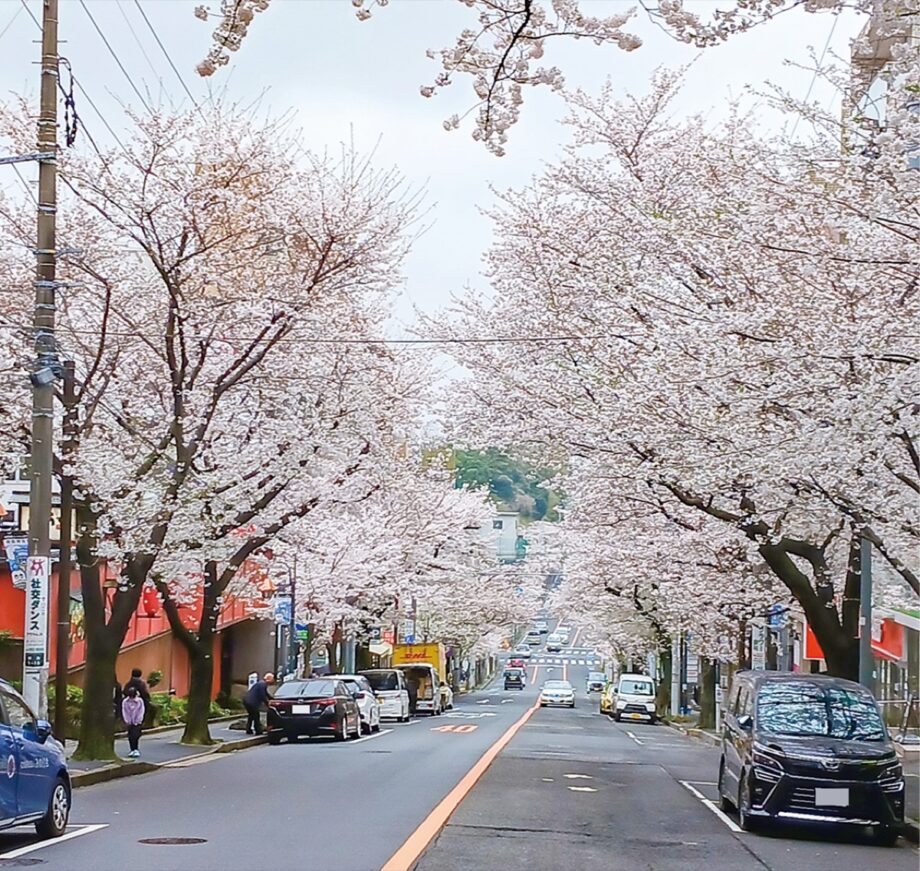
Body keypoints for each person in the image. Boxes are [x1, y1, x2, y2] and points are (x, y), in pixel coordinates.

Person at [122, 686, 145, 758]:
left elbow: (141, 711)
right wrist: (127, 720)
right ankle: (132, 749)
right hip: (129, 722)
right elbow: (124, 711)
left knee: (136, 735)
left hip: (137, 721)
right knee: (130, 736)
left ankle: (136, 749)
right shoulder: (125, 701)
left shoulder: (139, 701)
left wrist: (138, 720)